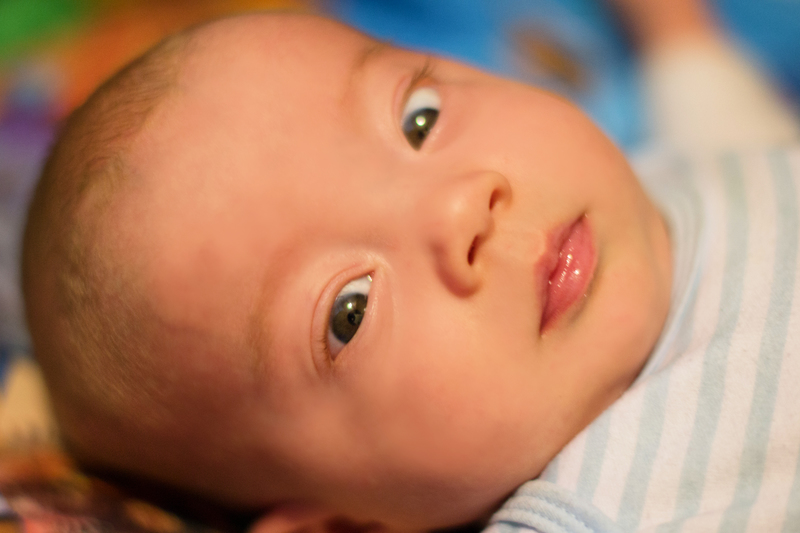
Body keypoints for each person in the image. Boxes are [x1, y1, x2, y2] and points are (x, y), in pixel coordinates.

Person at [19, 0, 799, 531]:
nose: (461, 209)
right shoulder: (599, 507)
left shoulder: (679, 168)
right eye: (348, 309)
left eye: (419, 119)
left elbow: (717, 99)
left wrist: (675, 34)